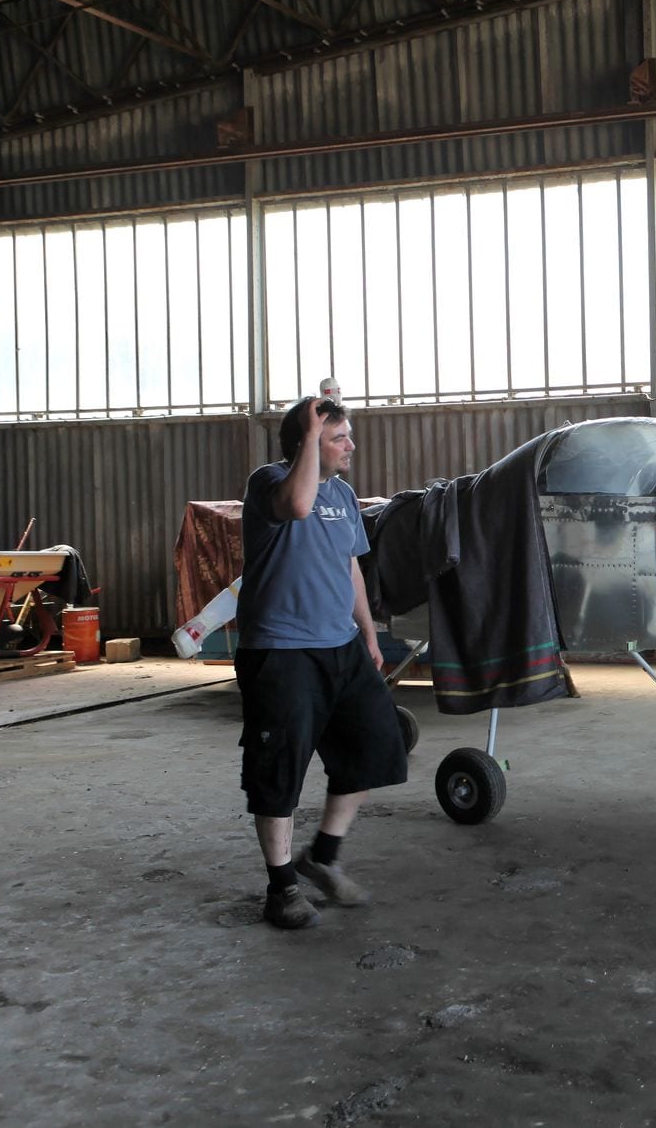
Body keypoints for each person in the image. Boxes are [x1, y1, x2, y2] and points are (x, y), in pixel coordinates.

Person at [235, 395, 406, 929]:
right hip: (280, 650)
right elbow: (297, 506)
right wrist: (308, 435)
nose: (351, 445)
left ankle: (323, 857)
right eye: (339, 437)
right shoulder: (269, 482)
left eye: (348, 435)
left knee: (374, 745)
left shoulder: (344, 494)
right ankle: (281, 888)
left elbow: (350, 565)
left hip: (341, 646)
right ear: (307, 443)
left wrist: (368, 633)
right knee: (279, 769)